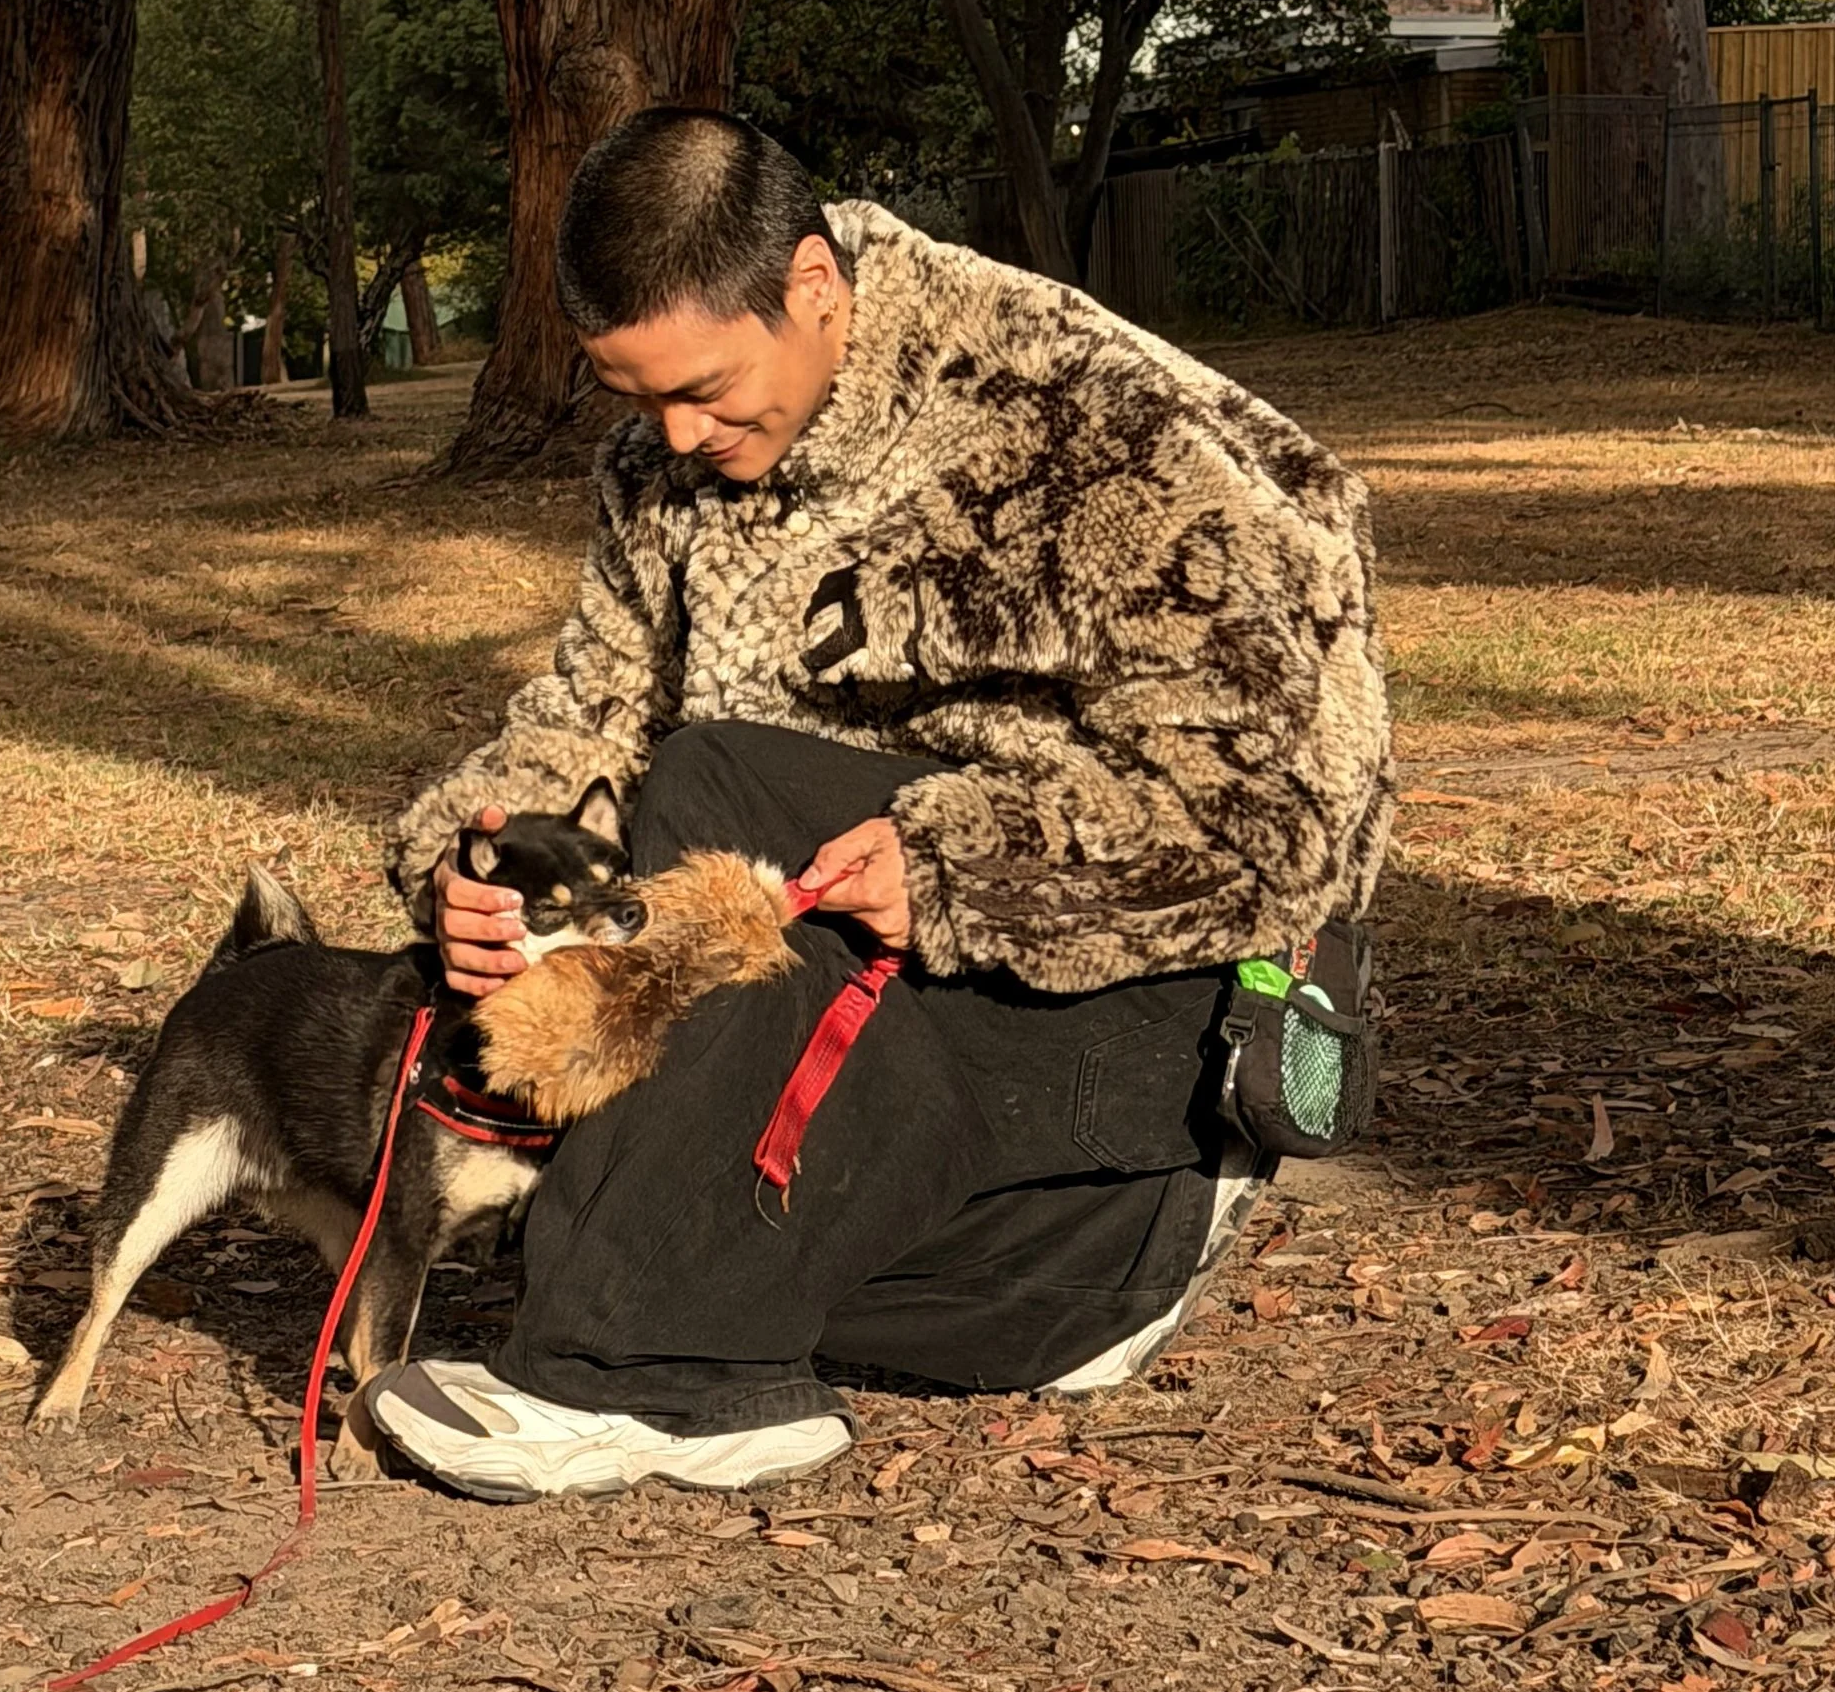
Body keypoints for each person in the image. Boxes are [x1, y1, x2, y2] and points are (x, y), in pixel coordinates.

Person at [361, 112, 1393, 1500]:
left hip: (1147, 1058)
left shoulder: (1089, 428)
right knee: (607, 872)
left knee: (719, 781)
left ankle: (647, 1374)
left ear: (813, 287)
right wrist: (478, 866)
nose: (676, 434)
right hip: (961, 1191)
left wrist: (968, 866)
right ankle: (745, 1311)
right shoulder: (663, 466)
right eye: (634, 395)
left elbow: (1282, 832)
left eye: (707, 389)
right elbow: (582, 721)